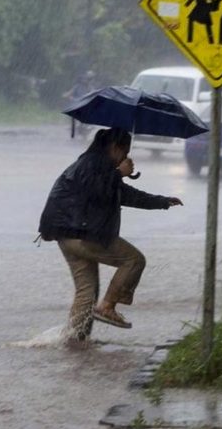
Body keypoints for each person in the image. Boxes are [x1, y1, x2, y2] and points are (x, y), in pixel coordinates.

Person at [38, 128, 183, 344]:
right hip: (81, 232)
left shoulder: (99, 167)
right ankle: (107, 307)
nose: (127, 157)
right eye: (125, 152)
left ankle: (75, 342)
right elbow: (95, 190)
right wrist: (119, 173)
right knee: (133, 260)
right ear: (115, 148)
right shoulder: (93, 164)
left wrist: (161, 202)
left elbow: (123, 194)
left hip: (66, 235)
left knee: (86, 293)